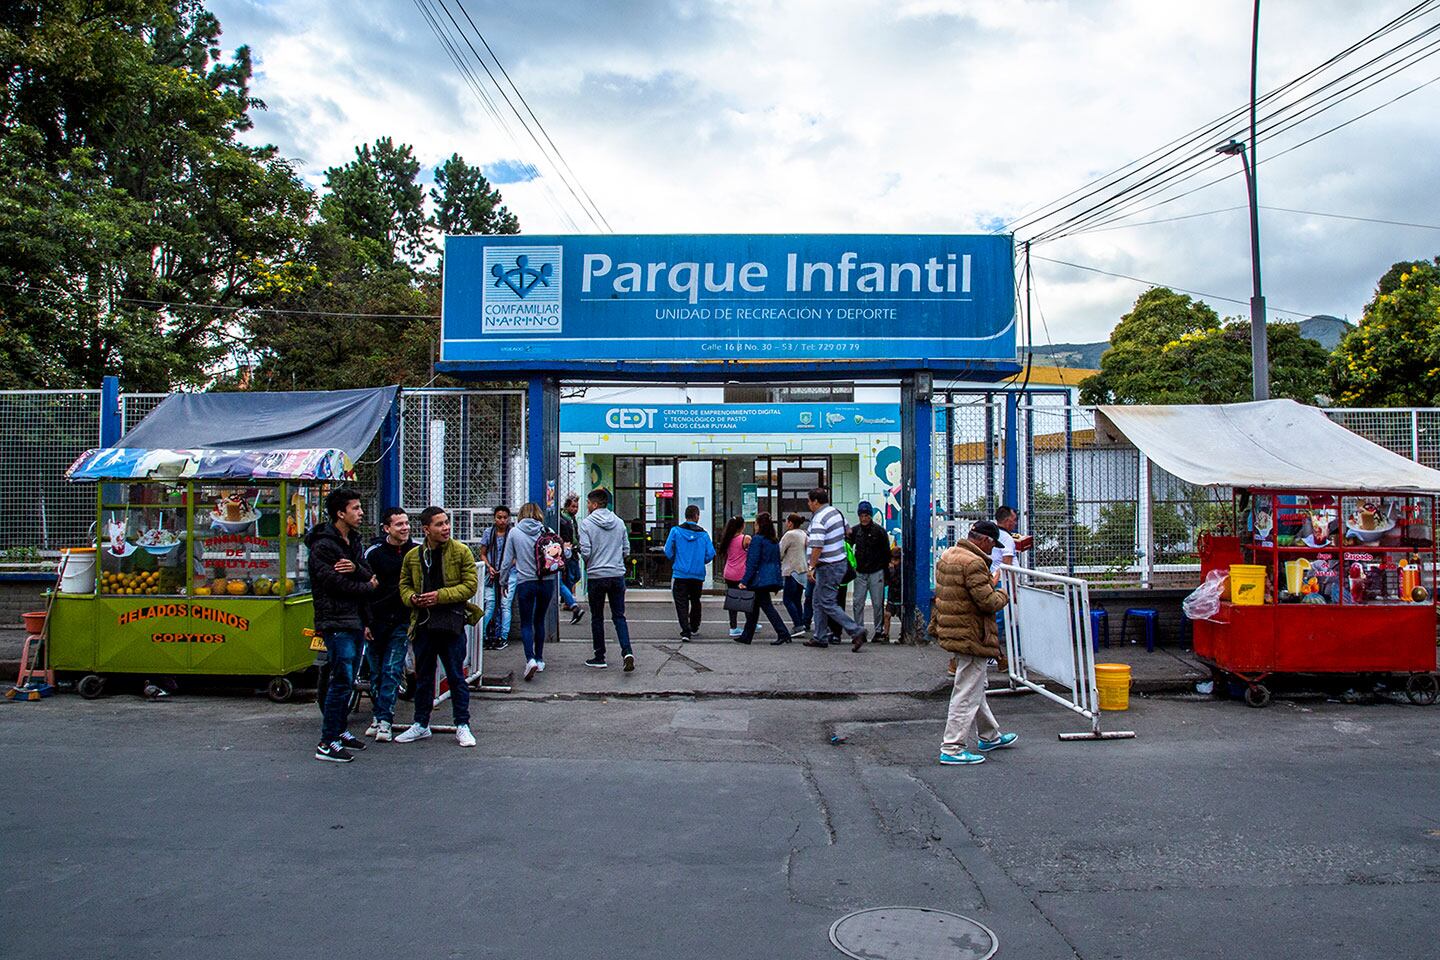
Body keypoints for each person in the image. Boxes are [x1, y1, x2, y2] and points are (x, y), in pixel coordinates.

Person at [930, 520, 1018, 766]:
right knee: (967, 691)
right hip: (973, 633)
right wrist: (1002, 591)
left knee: (974, 685)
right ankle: (952, 747)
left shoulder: (949, 554)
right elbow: (988, 602)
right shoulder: (975, 563)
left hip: (954, 629)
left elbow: (954, 593)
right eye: (993, 545)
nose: (993, 551)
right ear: (985, 541)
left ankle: (990, 736)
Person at [393, 507, 479, 747]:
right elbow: (404, 585)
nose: (446, 528)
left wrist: (439, 596)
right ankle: (421, 724)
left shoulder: (461, 552)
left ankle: (462, 725)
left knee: (455, 676)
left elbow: (470, 585)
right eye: (440, 524)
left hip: (451, 623)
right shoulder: (413, 556)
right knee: (423, 677)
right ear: (426, 529)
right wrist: (412, 598)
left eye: (447, 523)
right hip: (423, 625)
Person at [308, 488, 377, 763]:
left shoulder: (354, 541)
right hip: (335, 619)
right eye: (356, 508)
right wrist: (365, 585)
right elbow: (334, 583)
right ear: (340, 513)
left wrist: (360, 574)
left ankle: (340, 730)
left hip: (354, 618)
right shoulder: (324, 546)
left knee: (347, 680)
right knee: (341, 679)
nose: (360, 513)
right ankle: (327, 741)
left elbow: (369, 573)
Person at [361, 507, 416, 742]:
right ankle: (378, 715)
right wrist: (366, 622)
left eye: (406, 523)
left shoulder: (415, 552)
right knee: (376, 673)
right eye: (399, 524)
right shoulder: (373, 554)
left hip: (402, 621)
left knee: (392, 670)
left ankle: (385, 720)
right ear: (387, 528)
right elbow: (363, 589)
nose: (404, 528)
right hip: (376, 621)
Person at [501, 502, 561, 682]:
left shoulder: (514, 532)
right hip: (547, 582)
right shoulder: (546, 530)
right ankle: (540, 658)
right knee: (539, 620)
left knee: (526, 623)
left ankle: (530, 659)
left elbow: (506, 561)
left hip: (525, 582)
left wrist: (503, 581)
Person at [579, 486, 634, 671]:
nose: (586, 506)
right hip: (617, 574)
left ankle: (600, 656)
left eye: (588, 503)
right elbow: (627, 549)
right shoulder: (619, 522)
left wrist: (589, 560)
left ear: (594, 504)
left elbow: (586, 551)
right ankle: (627, 651)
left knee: (597, 617)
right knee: (619, 616)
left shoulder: (586, 524)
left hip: (596, 575)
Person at [806, 488, 867, 651]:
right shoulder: (836, 513)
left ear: (816, 502)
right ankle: (820, 636)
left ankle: (856, 630)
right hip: (839, 562)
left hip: (827, 566)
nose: (808, 504)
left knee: (826, 601)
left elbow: (817, 546)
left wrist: (811, 567)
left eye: (809, 501)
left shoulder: (819, 519)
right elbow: (848, 530)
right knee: (817, 601)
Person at [737, 512, 792, 645]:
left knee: (766, 607)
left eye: (756, 523)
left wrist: (744, 580)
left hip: (758, 579)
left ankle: (783, 633)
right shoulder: (773, 540)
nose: (754, 526)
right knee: (754, 607)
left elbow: (753, 562)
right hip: (768, 578)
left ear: (759, 525)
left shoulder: (757, 540)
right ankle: (747, 635)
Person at [664, 504, 715, 641]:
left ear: (686, 516)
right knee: (695, 600)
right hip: (697, 574)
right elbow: (710, 554)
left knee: (681, 602)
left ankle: (685, 630)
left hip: (680, 573)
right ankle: (694, 626)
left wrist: (676, 559)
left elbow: (668, 550)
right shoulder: (703, 535)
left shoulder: (675, 531)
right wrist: (700, 561)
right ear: (697, 516)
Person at [848, 501, 891, 639]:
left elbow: (886, 553)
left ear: (870, 516)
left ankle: (878, 630)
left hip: (876, 571)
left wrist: (885, 572)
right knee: (857, 603)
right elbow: (847, 548)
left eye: (866, 515)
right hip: (860, 572)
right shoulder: (855, 531)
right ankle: (859, 630)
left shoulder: (879, 531)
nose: (864, 518)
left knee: (878, 603)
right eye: (862, 515)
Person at [478, 506, 516, 650]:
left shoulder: (512, 533)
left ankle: (503, 637)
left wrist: (504, 569)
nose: (502, 520)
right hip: (491, 575)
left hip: (509, 574)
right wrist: (489, 567)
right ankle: (482, 636)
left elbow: (517, 556)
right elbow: (482, 553)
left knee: (505, 605)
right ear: (494, 518)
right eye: (499, 517)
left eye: (505, 517)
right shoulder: (489, 533)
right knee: (490, 606)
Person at [718, 516, 752, 638]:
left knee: (733, 600)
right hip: (741, 573)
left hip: (729, 573)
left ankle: (733, 627)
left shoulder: (727, 539)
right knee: (747, 598)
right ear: (742, 526)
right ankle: (751, 624)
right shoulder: (746, 538)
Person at [778, 513, 811, 636]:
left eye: (787, 521)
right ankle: (802, 623)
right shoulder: (803, 534)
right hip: (802, 570)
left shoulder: (789, 535)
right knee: (797, 600)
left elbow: (780, 552)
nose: (786, 524)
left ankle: (798, 625)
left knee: (787, 600)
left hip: (791, 570)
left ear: (790, 523)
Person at [557, 493, 586, 625]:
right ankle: (569, 602)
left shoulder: (572, 519)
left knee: (576, 576)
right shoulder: (562, 519)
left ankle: (568, 600)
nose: (575, 509)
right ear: (567, 506)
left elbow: (576, 534)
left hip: (573, 550)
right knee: (569, 576)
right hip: (567, 551)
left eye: (577, 506)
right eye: (573, 506)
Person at [882, 545, 903, 642]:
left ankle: (903, 633)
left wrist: (892, 570)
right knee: (887, 615)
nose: (893, 562)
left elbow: (896, 581)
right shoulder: (890, 568)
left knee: (901, 616)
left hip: (899, 596)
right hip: (892, 595)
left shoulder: (901, 570)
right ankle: (886, 634)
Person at [992, 505, 1019, 571]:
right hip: (1004, 580)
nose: (1015, 523)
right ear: (1007, 521)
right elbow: (1007, 567)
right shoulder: (1006, 538)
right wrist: (1014, 581)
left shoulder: (993, 533)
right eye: (1014, 520)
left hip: (994, 576)